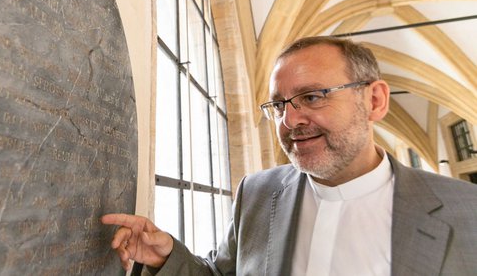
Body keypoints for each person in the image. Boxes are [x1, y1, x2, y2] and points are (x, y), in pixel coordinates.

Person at [102, 36, 477, 275]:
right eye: (279, 105)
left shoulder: (467, 212)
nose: (290, 120)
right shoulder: (258, 192)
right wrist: (167, 255)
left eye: (312, 97)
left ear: (374, 100)